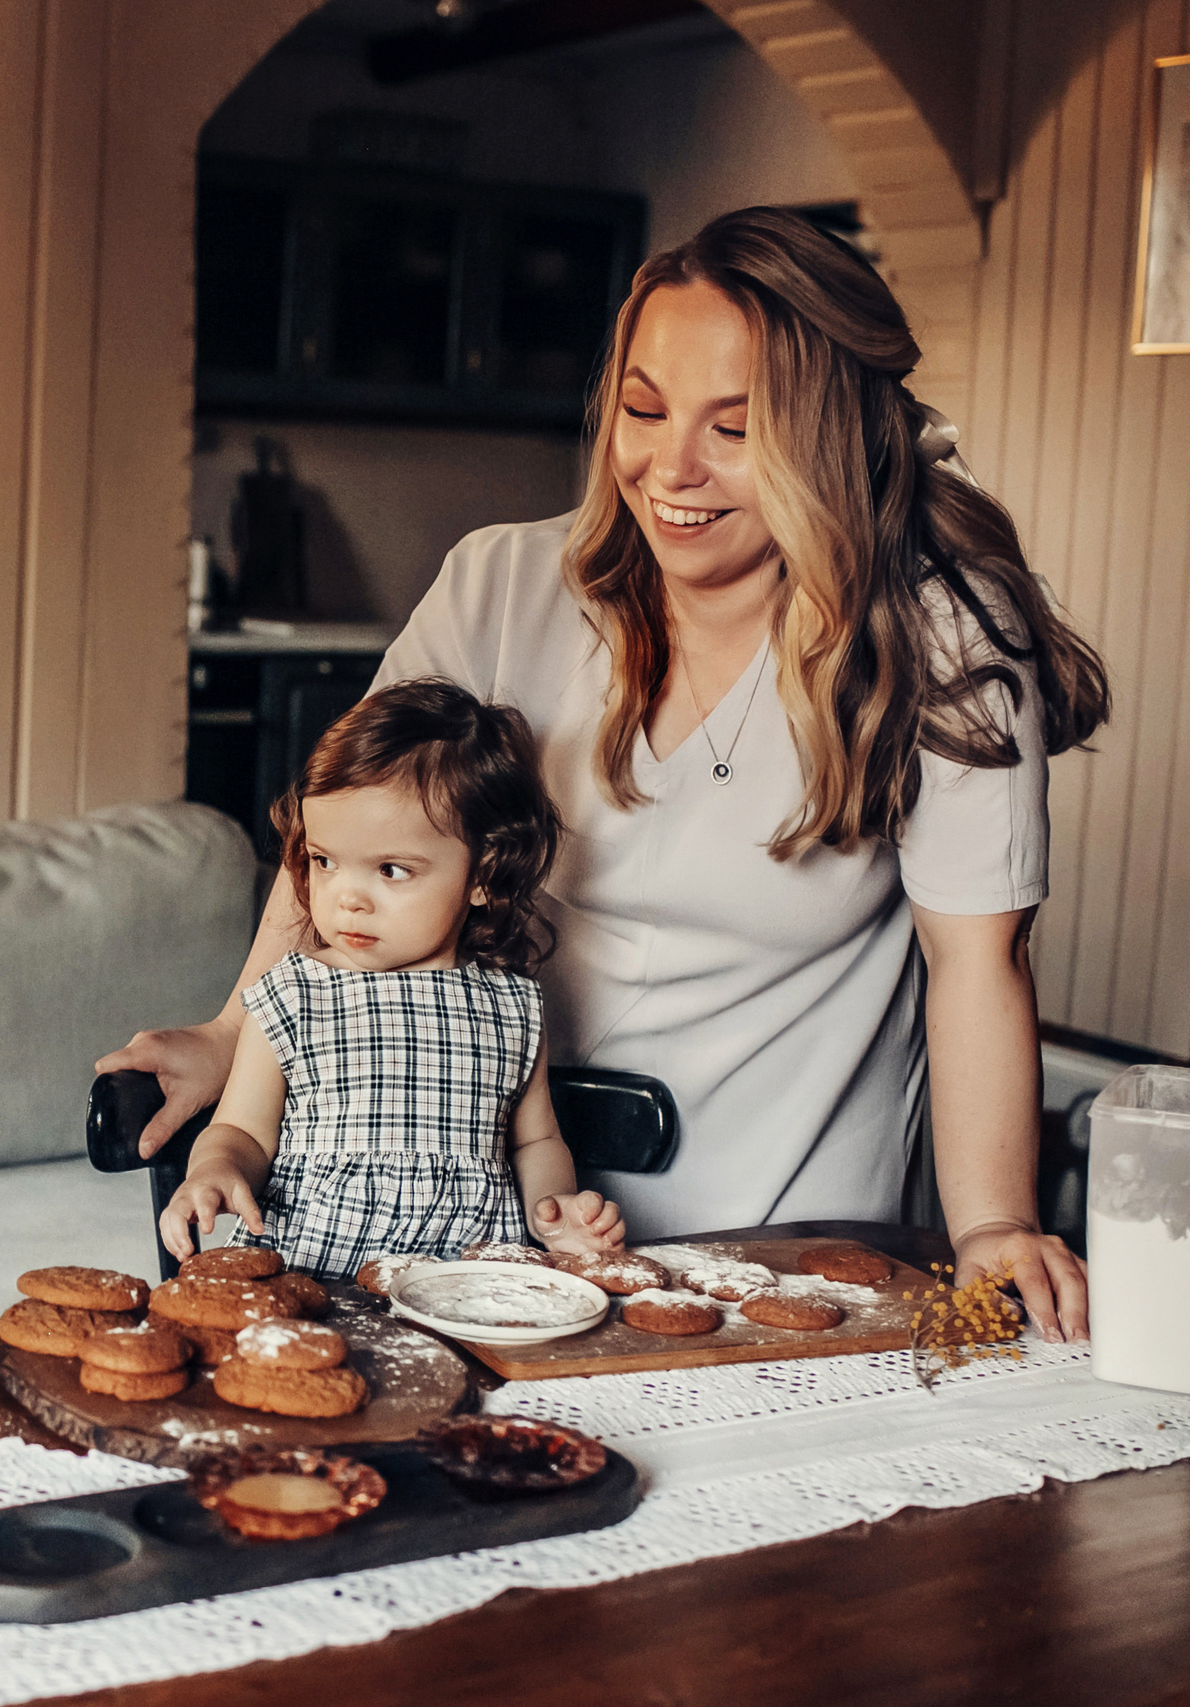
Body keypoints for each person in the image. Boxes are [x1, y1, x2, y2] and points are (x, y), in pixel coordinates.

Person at [107, 207, 1110, 1340]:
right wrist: (237, 1029)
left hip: (776, 1247)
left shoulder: (946, 645)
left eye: (734, 429)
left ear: (829, 438)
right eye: (642, 409)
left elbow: (977, 962)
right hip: (496, 1239)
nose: (667, 466)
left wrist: (990, 1227)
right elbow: (344, 840)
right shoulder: (498, 589)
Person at [158, 680, 627, 1279]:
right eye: (325, 861)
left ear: (484, 874)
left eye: (390, 869)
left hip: (470, 1284)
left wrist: (554, 1213)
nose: (347, 897)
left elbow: (535, 1143)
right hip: (317, 1277)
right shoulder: (294, 994)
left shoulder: (512, 1006)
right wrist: (215, 1171)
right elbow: (241, 1128)